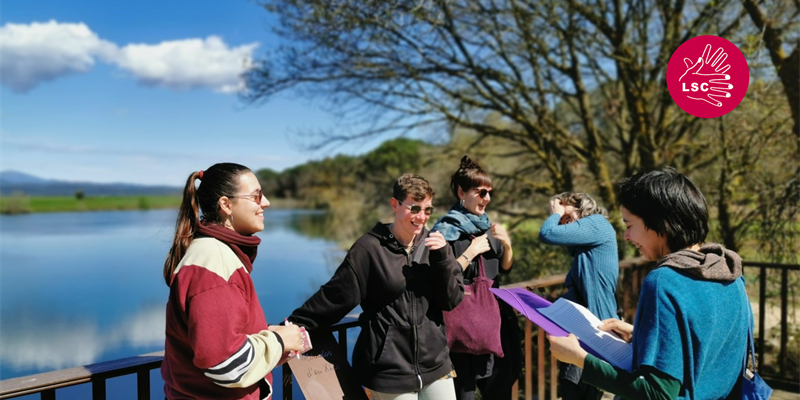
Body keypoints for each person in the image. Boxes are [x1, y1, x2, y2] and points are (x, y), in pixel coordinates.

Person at [547, 168, 750, 399]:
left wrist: (579, 359)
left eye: (629, 225)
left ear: (660, 224)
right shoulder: (729, 272)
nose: (625, 236)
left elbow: (657, 394)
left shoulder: (664, 281)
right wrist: (642, 335)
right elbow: (704, 348)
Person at [288, 173, 464, 400]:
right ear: (395, 204)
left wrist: (443, 259)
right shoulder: (368, 248)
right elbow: (336, 296)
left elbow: (452, 300)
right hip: (389, 371)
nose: (422, 217)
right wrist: (292, 325)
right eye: (414, 208)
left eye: (427, 210)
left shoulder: (435, 245)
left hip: (436, 364)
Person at [161, 163, 304, 400]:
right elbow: (225, 364)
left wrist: (266, 336)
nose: (265, 202)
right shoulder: (214, 262)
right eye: (257, 196)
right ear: (226, 205)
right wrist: (279, 341)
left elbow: (220, 340)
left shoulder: (215, 254)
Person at [431, 155, 520, 400]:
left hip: (492, 325)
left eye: (489, 193)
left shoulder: (488, 228)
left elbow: (504, 267)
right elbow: (441, 279)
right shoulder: (444, 233)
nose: (487, 199)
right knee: (464, 394)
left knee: (499, 390)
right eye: (481, 192)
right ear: (462, 192)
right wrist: (471, 252)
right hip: (461, 329)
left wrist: (508, 245)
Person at [539, 191, 619, 400]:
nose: (564, 225)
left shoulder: (597, 224)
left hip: (593, 331)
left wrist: (555, 213)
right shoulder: (586, 245)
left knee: (574, 387)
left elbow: (548, 233)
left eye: (566, 217)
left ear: (581, 208)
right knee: (575, 388)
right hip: (584, 329)